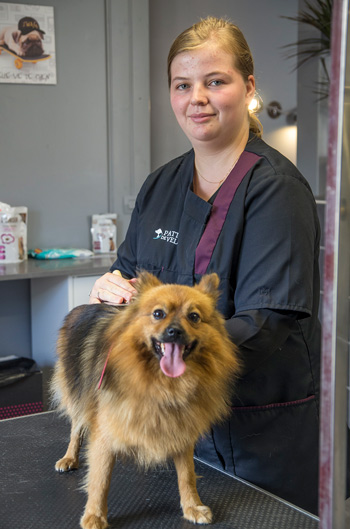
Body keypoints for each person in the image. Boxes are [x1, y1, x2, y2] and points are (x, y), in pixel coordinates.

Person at [89, 16, 321, 514]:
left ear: (249, 88)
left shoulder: (276, 191)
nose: (198, 98)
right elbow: (130, 280)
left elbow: (264, 322)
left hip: (254, 438)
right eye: (183, 85)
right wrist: (110, 291)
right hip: (165, 430)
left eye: (215, 81)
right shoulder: (158, 185)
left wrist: (163, 357)